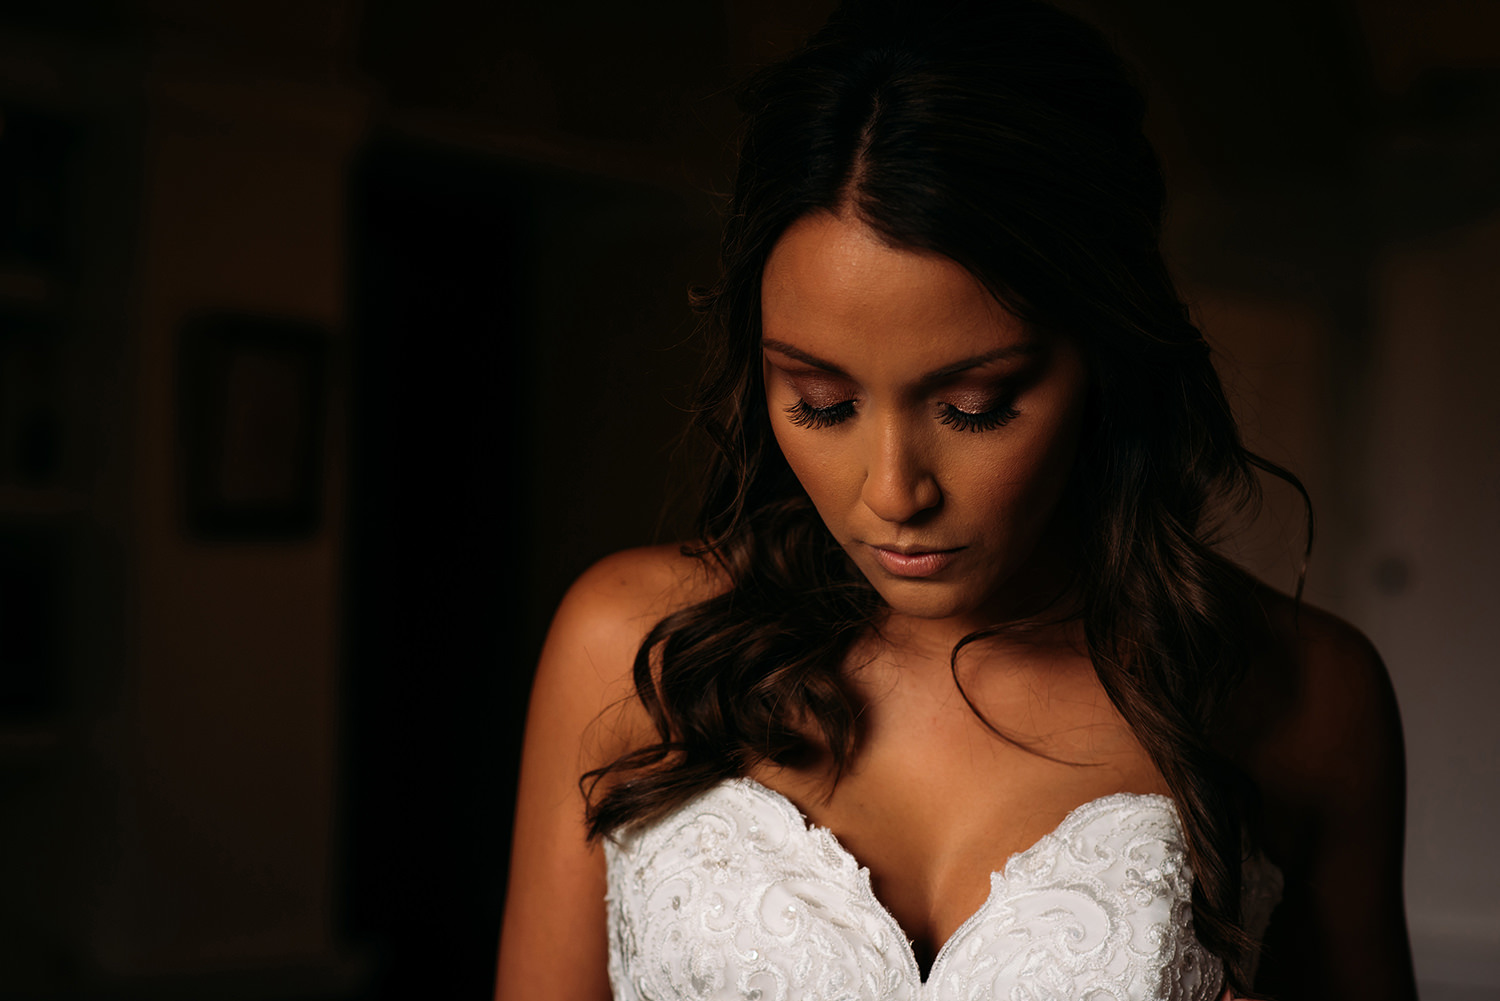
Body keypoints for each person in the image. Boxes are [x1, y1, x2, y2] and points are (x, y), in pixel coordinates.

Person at [495, 1, 1417, 998]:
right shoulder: (631, 647)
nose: (894, 491)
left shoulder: (1308, 694)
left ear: (1107, 354)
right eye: (821, 400)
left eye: (977, 406)